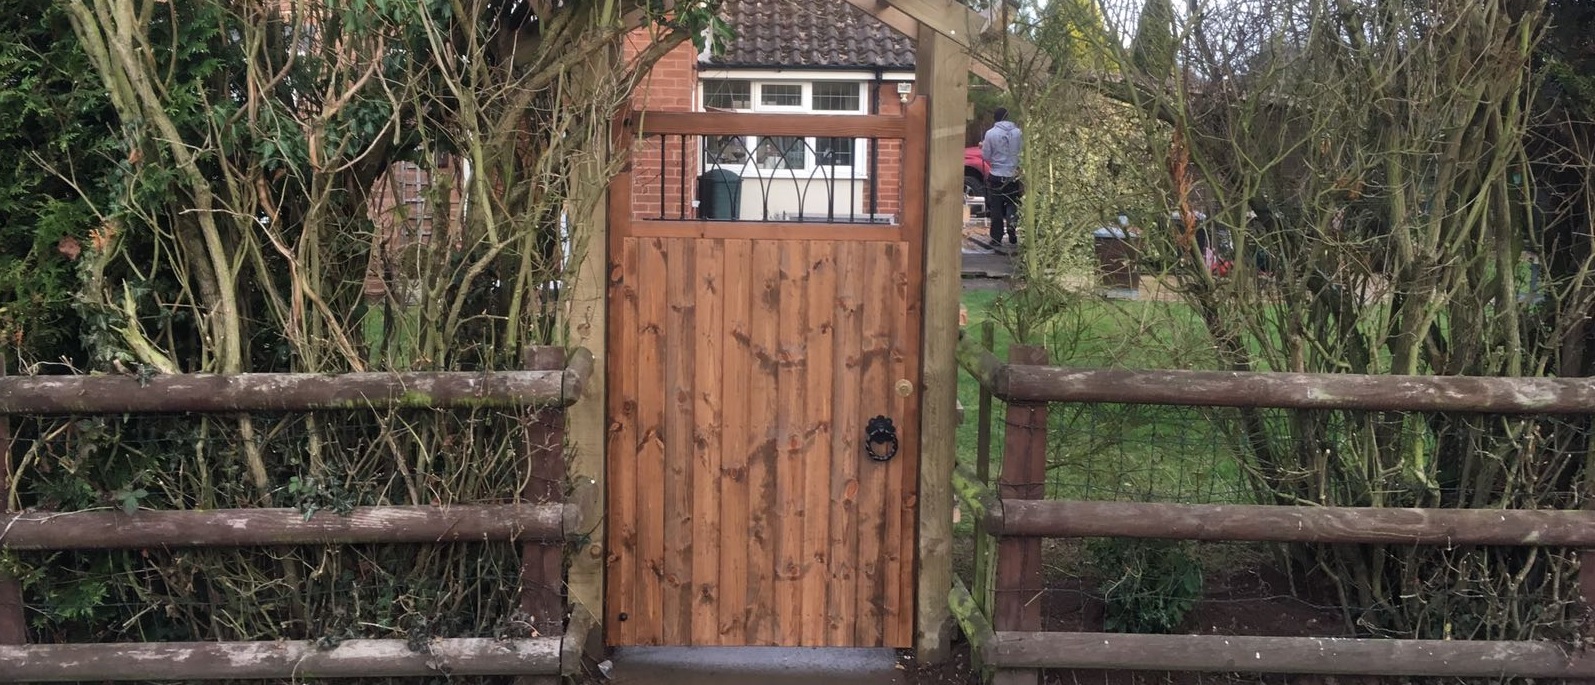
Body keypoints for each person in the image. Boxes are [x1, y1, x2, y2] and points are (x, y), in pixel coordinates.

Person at [981, 107, 1023, 246]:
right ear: (1008, 117)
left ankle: (996, 237)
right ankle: (1012, 228)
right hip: (1013, 175)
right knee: (1012, 204)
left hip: (997, 175)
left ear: (995, 118)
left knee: (996, 207)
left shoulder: (991, 134)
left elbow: (986, 155)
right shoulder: (1018, 132)